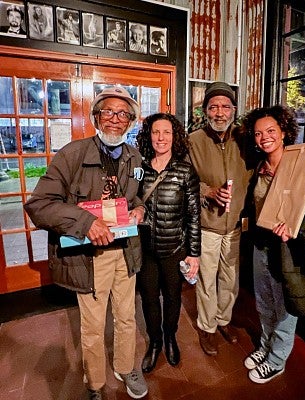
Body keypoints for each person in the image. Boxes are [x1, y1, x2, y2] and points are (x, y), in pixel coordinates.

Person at [24, 86, 148, 400]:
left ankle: (125, 366)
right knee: (93, 326)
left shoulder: (134, 156)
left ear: (130, 121)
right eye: (108, 111)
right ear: (95, 117)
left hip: (126, 251)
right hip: (89, 256)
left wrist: (140, 209)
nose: (116, 120)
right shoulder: (73, 154)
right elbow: (39, 204)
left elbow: (139, 197)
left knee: (127, 316)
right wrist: (87, 222)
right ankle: (94, 384)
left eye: (123, 114)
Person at [240, 105, 305, 384]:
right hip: (261, 246)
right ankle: (265, 347)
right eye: (258, 133)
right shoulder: (260, 168)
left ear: (283, 132)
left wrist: (295, 225)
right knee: (265, 303)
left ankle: (277, 360)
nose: (264, 137)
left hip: (289, 251)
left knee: (285, 309)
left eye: (270, 131)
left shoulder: (301, 166)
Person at [188, 81, 252, 356]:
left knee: (230, 278)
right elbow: (185, 181)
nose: (219, 112)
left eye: (225, 106)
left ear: (234, 110)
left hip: (235, 225)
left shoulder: (245, 140)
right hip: (207, 225)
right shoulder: (193, 141)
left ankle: (223, 321)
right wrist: (208, 191)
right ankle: (207, 326)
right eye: (213, 106)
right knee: (206, 278)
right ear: (204, 111)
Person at [136, 113, 201, 372]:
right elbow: (132, 202)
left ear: (175, 137)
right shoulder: (139, 169)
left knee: (173, 298)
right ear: (148, 136)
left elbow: (194, 215)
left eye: (166, 132)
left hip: (175, 248)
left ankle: (170, 337)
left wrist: (193, 254)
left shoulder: (185, 170)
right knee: (149, 299)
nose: (160, 138)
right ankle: (154, 343)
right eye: (155, 132)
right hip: (146, 249)